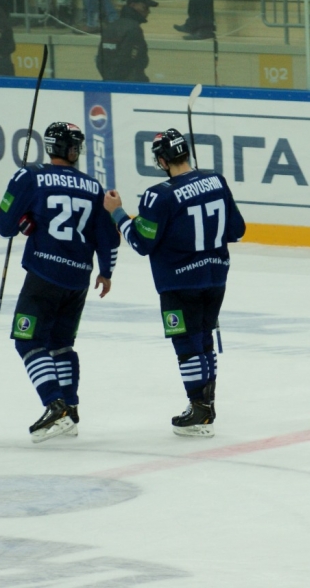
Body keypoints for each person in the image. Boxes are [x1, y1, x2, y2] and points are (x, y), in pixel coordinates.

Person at [103, 129, 245, 436]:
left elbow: (141, 243)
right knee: (203, 339)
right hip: (216, 276)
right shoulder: (216, 180)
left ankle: (199, 409)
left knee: (186, 343)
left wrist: (118, 214)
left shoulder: (159, 195)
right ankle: (206, 406)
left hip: (179, 282)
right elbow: (237, 230)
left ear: (163, 160)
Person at [0, 122, 119, 442]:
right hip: (78, 278)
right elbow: (108, 237)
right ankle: (70, 409)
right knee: (61, 344)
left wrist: (23, 222)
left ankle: (55, 406)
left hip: (44, 277)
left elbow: (4, 225)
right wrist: (106, 272)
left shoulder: (30, 175)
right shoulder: (93, 186)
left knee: (28, 340)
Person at [96, 0, 157, 82]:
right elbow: (129, 61)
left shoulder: (112, 26)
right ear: (133, 5)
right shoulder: (133, 29)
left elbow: (100, 59)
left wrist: (109, 80)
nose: (148, 12)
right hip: (131, 84)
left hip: (109, 82)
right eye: (145, 7)